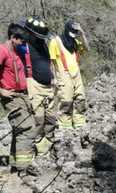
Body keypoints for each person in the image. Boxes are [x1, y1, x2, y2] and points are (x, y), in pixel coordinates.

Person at [0, 22, 35, 174]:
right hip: (11, 96)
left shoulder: (17, 50)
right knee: (26, 128)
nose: (24, 44)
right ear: (13, 38)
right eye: (22, 40)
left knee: (19, 130)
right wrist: (1, 90)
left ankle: (16, 166)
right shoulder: (2, 51)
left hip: (22, 95)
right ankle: (23, 168)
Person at [21, 17, 56, 158]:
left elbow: (49, 63)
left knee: (51, 118)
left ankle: (49, 143)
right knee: (38, 119)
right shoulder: (23, 46)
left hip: (49, 86)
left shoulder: (43, 45)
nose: (41, 38)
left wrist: (53, 77)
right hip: (34, 86)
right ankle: (40, 149)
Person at [48, 20, 88, 129]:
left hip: (76, 74)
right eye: (73, 32)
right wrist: (54, 78)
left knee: (80, 97)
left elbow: (86, 48)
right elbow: (52, 62)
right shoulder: (55, 42)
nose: (74, 35)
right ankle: (65, 123)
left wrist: (82, 33)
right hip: (63, 74)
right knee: (66, 99)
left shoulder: (75, 41)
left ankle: (79, 121)